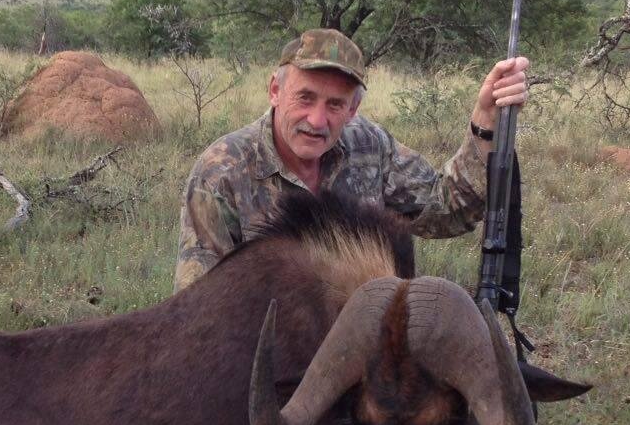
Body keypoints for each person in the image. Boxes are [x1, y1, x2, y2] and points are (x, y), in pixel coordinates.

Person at [173, 28, 530, 292]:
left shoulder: (370, 146)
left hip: (367, 348)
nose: (316, 120)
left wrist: (485, 121)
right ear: (275, 91)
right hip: (271, 355)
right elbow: (200, 309)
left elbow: (447, 209)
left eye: (334, 105)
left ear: (353, 109)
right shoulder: (221, 172)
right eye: (305, 98)